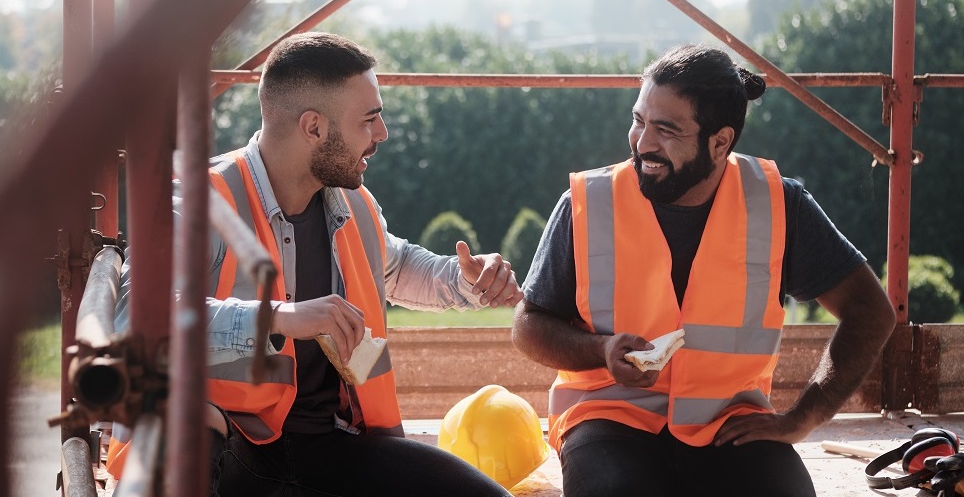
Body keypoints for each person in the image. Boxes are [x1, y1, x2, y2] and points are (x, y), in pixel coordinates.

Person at [109, 31, 522, 496]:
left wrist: (467, 281)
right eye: (369, 120)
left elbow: (397, 266)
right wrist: (282, 317)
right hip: (229, 454)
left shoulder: (353, 204)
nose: (381, 135)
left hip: (331, 449)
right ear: (313, 128)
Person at [511, 44, 897, 497]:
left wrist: (802, 418)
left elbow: (871, 312)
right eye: (639, 120)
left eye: (667, 130)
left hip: (730, 423)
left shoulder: (778, 205)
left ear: (720, 142)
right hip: (608, 415)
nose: (643, 143)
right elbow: (527, 326)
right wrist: (602, 350)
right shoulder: (588, 201)